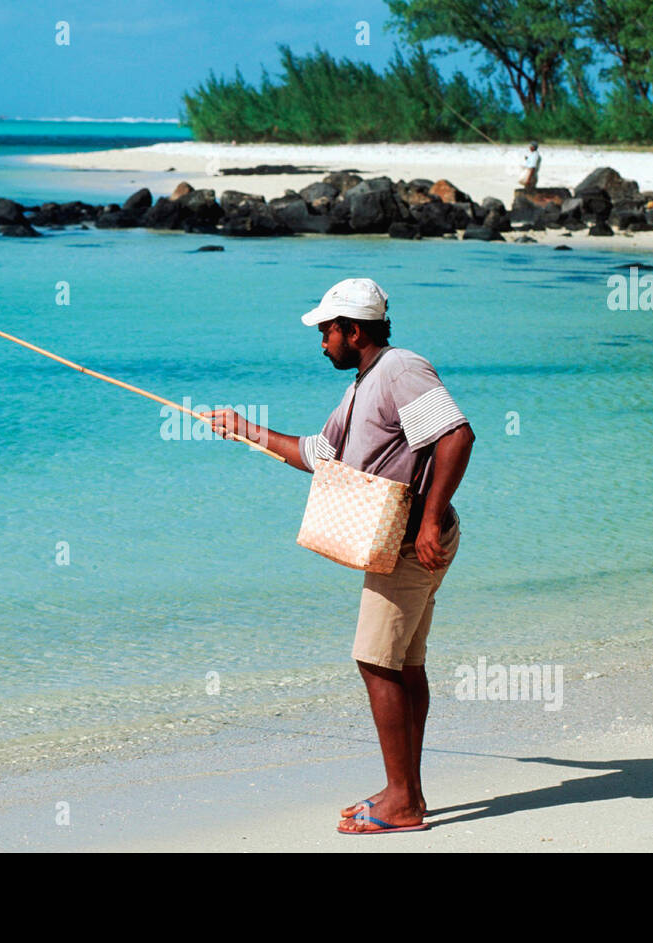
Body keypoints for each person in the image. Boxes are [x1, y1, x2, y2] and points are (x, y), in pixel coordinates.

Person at [202, 277, 474, 835]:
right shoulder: (362, 384)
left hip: (408, 541)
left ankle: (402, 802)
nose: (322, 340)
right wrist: (244, 430)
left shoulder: (400, 369)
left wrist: (426, 521)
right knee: (404, 664)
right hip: (399, 540)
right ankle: (408, 791)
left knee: (375, 661)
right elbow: (317, 455)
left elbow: (457, 437)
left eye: (327, 330)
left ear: (354, 330)